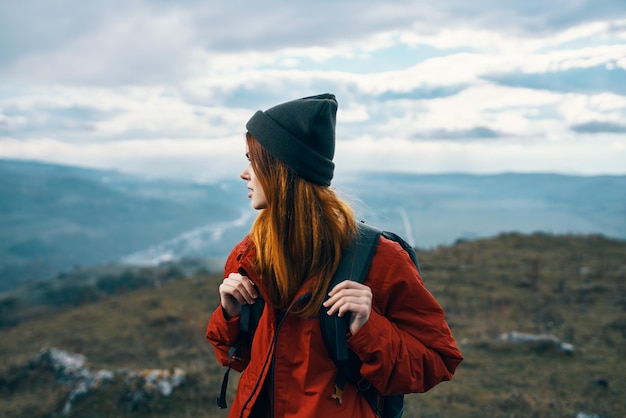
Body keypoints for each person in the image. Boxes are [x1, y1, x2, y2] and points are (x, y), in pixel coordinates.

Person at [206, 93, 463, 418]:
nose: (244, 173)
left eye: (252, 160)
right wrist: (230, 314)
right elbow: (236, 359)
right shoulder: (250, 255)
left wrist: (369, 328)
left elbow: (437, 361)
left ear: (282, 169)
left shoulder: (380, 259)